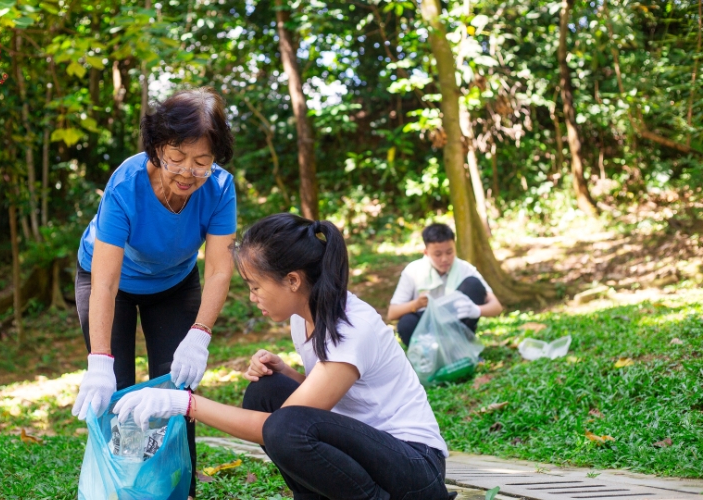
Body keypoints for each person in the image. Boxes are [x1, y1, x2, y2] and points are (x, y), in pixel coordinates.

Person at [112, 213, 451, 500]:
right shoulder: (302, 319)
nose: (252, 296)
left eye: (255, 286)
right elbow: (335, 400)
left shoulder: (351, 326)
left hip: (415, 467)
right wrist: (288, 372)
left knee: (284, 427)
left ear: (292, 280)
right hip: (365, 451)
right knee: (264, 391)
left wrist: (183, 404)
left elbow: (282, 427)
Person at [70, 87, 237, 498]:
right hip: (110, 283)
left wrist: (200, 333)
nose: (187, 173)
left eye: (201, 162)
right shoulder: (126, 183)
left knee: (177, 389)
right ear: (156, 148)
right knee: (116, 387)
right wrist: (99, 360)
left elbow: (218, 268)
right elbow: (105, 282)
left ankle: (181, 488)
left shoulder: (219, 188)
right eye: (176, 158)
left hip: (174, 283)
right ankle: (123, 490)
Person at [388, 223, 503, 348]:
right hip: (427, 328)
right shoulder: (413, 271)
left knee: (473, 284)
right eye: (437, 254)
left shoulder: (465, 269)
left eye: (449, 252)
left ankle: (459, 347)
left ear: (455, 248)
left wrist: (476, 310)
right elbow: (392, 313)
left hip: (456, 323)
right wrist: (417, 304)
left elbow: (496, 307)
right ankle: (428, 355)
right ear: (426, 252)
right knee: (406, 323)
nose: (444, 259)